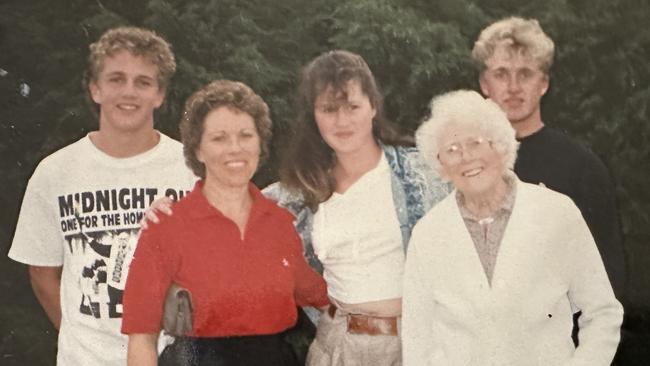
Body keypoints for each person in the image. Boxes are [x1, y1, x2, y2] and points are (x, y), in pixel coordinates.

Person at [7, 26, 196, 365]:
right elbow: (41, 272)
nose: (129, 92)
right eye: (116, 79)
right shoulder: (55, 172)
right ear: (95, 88)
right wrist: (80, 342)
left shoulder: (192, 169)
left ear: (160, 95)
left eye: (143, 82)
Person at [402, 90, 623, 365]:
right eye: (452, 150)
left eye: (476, 143)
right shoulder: (428, 233)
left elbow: (603, 312)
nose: (466, 157)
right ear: (440, 164)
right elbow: (417, 340)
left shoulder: (555, 212)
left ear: (501, 146)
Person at [121, 80, 329, 366]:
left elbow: (318, 292)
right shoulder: (166, 226)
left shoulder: (280, 224)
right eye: (219, 138)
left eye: (246, 136)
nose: (235, 149)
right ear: (198, 150)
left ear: (259, 144)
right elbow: (141, 337)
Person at [264, 50, 449, 365]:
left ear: (373, 106)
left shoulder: (424, 173)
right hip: (337, 346)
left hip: (415, 345)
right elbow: (231, 207)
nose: (342, 120)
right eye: (329, 109)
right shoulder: (297, 194)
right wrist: (168, 209)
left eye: (352, 106)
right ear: (314, 115)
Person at [472, 16, 626, 301]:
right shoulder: (465, 165)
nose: (514, 86)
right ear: (484, 83)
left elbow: (606, 280)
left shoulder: (582, 167)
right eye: (502, 74)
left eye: (526, 74)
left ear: (543, 83)